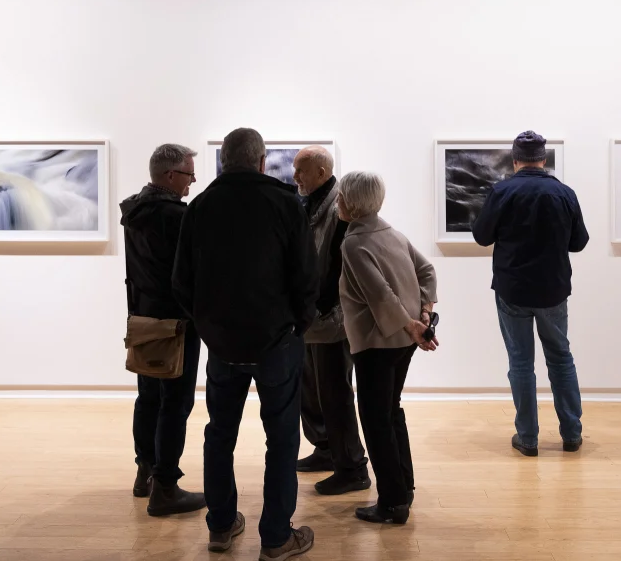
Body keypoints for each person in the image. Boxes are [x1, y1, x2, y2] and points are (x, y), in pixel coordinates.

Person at [173, 128, 319, 561]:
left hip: (221, 344)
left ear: (224, 162)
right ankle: (275, 538)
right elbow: (306, 277)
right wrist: (298, 325)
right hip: (276, 342)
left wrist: (207, 324)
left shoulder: (200, 206)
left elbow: (182, 281)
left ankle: (220, 526)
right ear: (261, 162)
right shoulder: (285, 203)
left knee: (219, 435)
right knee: (281, 440)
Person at [472, 131, 589, 457]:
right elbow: (579, 242)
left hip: (513, 289)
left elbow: (482, 236)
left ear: (515, 160)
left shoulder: (502, 192)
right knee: (561, 358)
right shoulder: (564, 193)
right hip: (553, 289)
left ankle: (528, 438)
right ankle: (571, 434)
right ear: (544, 158)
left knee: (521, 363)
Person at [336, 171, 439, 525]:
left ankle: (393, 502)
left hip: (377, 343)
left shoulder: (353, 243)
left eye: (340, 197)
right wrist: (422, 313)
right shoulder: (391, 233)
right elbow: (427, 270)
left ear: (351, 202)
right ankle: (403, 487)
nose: (337, 203)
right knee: (391, 412)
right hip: (402, 342)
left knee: (376, 420)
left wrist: (414, 324)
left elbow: (379, 293)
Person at [119, 143, 206, 517]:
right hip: (176, 322)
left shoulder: (134, 211)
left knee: (149, 397)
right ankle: (166, 485)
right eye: (188, 174)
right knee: (176, 403)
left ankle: (145, 471)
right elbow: (188, 274)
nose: (193, 181)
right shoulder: (177, 217)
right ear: (170, 176)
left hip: (143, 317)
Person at [292, 146, 371, 496]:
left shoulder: (340, 207)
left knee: (335, 392)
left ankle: (352, 466)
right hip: (311, 315)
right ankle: (325, 449)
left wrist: (321, 304)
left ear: (322, 172)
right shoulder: (308, 203)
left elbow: (338, 264)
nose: (295, 177)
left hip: (332, 317)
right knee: (311, 390)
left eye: (301, 171)